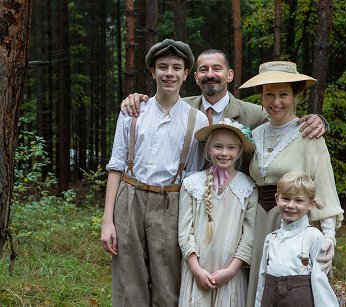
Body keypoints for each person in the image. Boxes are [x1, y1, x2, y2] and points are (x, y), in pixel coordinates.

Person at [100, 39, 208, 307]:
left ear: (186, 74)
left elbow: (195, 176)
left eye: (176, 67)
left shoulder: (198, 120)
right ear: (152, 72)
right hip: (130, 198)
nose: (168, 73)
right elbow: (116, 166)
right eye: (162, 67)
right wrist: (107, 221)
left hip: (172, 202)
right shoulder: (132, 111)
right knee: (128, 279)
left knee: (167, 279)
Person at [240, 61, 344, 306]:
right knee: (260, 289)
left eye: (283, 94)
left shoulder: (308, 134)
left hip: (292, 223)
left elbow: (324, 186)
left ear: (295, 95)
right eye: (269, 94)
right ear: (261, 97)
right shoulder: (255, 134)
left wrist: (329, 237)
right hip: (257, 223)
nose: (276, 102)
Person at [120, 49, 328, 138]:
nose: (210, 75)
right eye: (203, 70)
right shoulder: (179, 107)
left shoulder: (256, 115)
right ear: (195, 77)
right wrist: (137, 98)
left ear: (229, 75)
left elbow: (286, 128)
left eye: (216, 69)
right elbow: (156, 107)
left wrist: (320, 122)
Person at [178, 118, 258, 306]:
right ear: (208, 149)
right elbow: (184, 231)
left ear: (239, 152)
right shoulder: (192, 185)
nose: (224, 153)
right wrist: (196, 269)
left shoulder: (248, 188)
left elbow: (249, 235)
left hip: (231, 275)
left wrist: (231, 270)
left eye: (231, 148)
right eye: (218, 147)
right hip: (197, 272)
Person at [255, 171, 339, 307]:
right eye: (286, 199)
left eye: (299, 200)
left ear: (311, 204)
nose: (290, 205)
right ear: (277, 199)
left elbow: (320, 280)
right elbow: (262, 279)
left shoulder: (313, 236)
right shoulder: (271, 239)